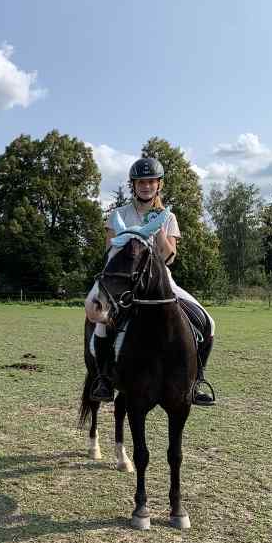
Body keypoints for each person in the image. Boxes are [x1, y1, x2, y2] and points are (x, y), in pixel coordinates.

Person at [89, 156, 216, 406]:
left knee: (208, 323)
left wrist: (156, 229)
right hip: (126, 284)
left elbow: (169, 257)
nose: (145, 186)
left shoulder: (167, 216)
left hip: (161, 283)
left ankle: (197, 380)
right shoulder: (118, 215)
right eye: (140, 182)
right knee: (103, 322)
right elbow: (110, 252)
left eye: (151, 181)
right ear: (133, 185)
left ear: (159, 184)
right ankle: (104, 379)